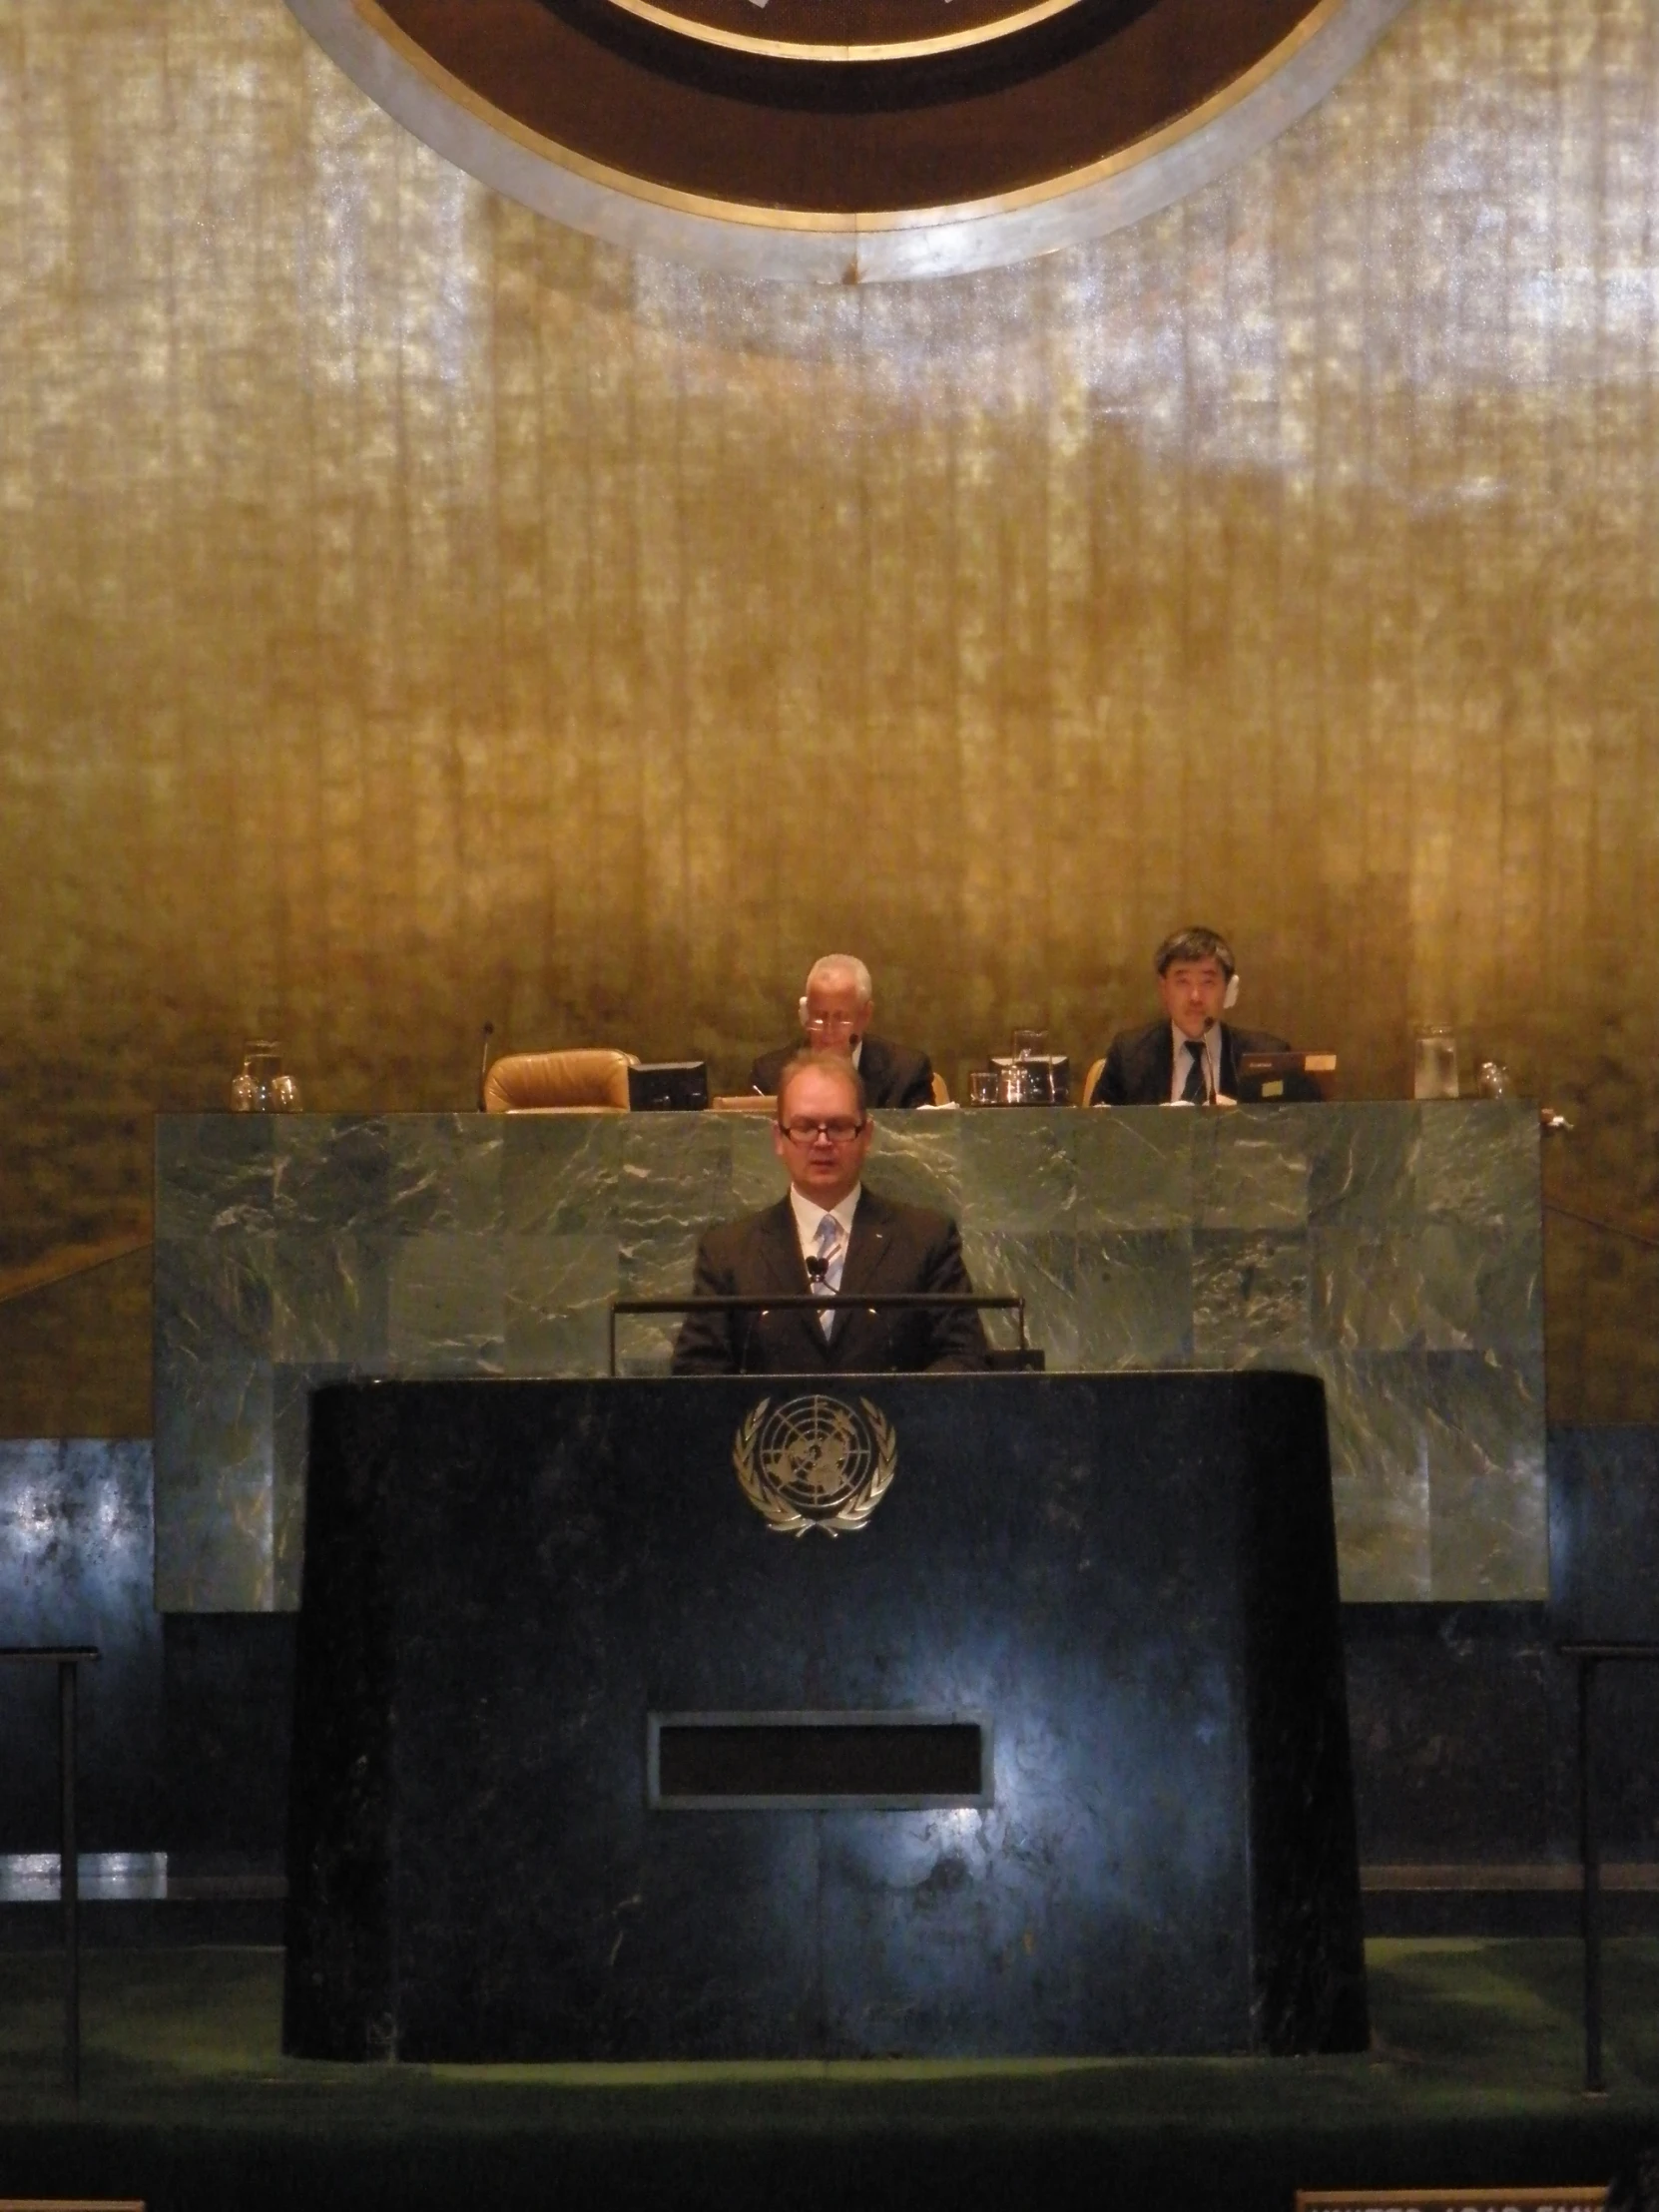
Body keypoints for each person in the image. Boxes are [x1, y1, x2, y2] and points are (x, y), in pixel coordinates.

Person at [672, 1054, 987, 1376]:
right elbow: (696, 1376)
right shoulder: (727, 1252)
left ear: (866, 1136)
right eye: (805, 1127)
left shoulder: (926, 1241)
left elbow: (964, 1358)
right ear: (778, 1139)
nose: (822, 1142)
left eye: (838, 1127)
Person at [1088, 926, 1305, 1106]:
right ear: (1164, 989)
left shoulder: (1267, 1056)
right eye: (1182, 982)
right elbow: (1096, 1139)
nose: (1195, 997)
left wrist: (1244, 1123)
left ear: (1228, 989)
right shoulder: (1129, 1055)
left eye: (1208, 982)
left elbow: (1294, 1140)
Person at [750, 954, 935, 1108]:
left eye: (841, 1018)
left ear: (865, 1015)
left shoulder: (906, 1073)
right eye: (819, 1017)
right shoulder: (770, 1075)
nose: (828, 1031)